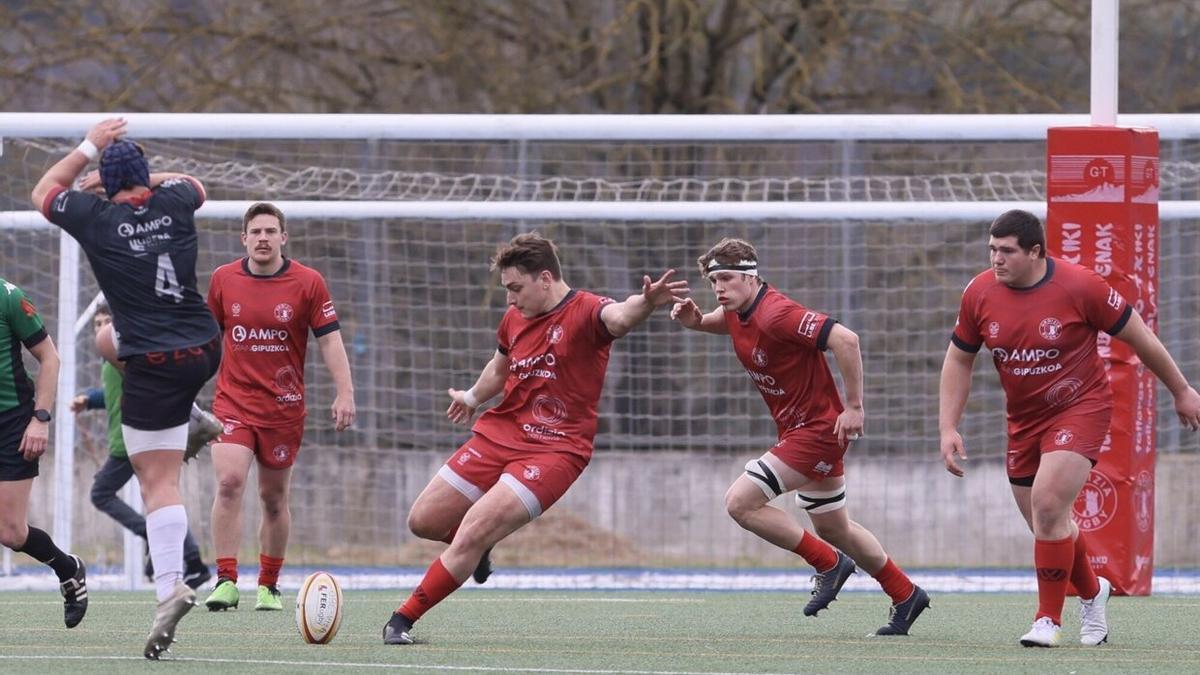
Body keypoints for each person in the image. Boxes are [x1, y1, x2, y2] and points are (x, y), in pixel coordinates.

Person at [382, 232, 689, 645]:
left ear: (545, 278)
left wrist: (648, 302)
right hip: (500, 434)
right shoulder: (514, 318)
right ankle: (478, 546)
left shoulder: (586, 311)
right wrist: (472, 398)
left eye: (515, 288)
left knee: (471, 530)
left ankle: (401, 620)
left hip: (555, 450)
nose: (510, 299)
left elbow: (619, 316)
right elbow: (499, 367)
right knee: (424, 521)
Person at [939, 209, 1200, 647]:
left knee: (1046, 505)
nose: (996, 259)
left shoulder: (1080, 286)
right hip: (1023, 422)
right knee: (1048, 522)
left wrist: (1182, 390)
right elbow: (959, 358)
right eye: (992, 249)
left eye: (1006, 251)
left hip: (1081, 408)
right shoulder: (979, 293)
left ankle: (1048, 620)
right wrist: (948, 426)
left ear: (1035, 252)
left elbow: (1141, 338)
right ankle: (1093, 587)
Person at [32, 118, 222, 659]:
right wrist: (138, 175)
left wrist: (91, 149)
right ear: (147, 180)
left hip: (156, 360)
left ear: (106, 187)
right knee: (104, 341)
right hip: (204, 347)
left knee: (156, 479)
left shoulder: (96, 216)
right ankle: (191, 416)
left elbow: (44, 190)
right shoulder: (178, 199)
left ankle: (169, 589)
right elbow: (193, 182)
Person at [671, 237, 929, 636]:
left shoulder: (777, 314)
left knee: (741, 503)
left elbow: (846, 339)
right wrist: (697, 322)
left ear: (750, 277)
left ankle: (828, 563)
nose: (718, 289)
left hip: (817, 431)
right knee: (834, 527)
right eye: (712, 282)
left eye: (725, 279)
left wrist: (855, 406)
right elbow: (728, 323)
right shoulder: (737, 311)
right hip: (803, 430)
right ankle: (906, 593)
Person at [203, 202, 356, 612]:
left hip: (284, 408)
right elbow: (208, 339)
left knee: (273, 498)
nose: (264, 238)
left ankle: (268, 584)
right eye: (256, 232)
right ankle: (225, 580)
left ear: (284, 238)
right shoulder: (223, 279)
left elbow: (329, 339)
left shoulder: (308, 283)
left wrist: (345, 392)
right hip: (232, 402)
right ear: (244, 239)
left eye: (271, 231)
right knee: (229, 482)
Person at [70, 302, 212, 589]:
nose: (101, 329)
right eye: (97, 325)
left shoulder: (127, 355)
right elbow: (112, 394)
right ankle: (195, 563)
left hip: (130, 440)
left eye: (106, 323)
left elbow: (148, 385)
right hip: (128, 439)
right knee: (159, 498)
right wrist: (89, 400)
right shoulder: (109, 360)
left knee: (101, 493)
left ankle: (151, 535)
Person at [0, 277, 88, 629]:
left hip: (13, 424)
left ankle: (68, 569)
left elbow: (49, 358)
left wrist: (41, 418)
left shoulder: (9, 298)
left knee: (10, 532)